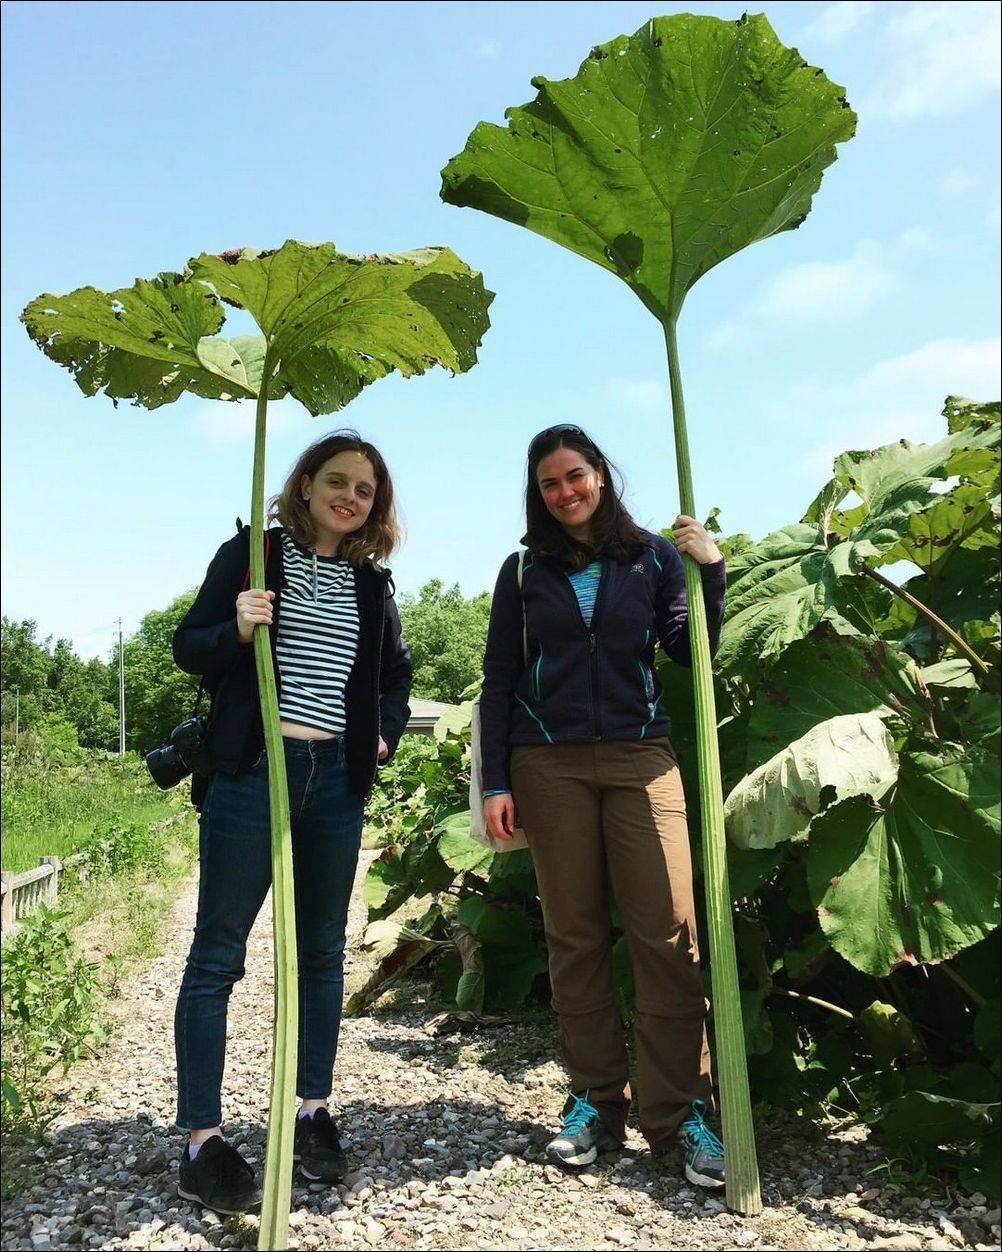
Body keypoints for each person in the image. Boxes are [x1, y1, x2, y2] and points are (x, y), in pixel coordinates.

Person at [170, 430, 412, 1214]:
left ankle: (311, 1112)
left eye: (365, 490)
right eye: (335, 480)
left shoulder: (372, 586)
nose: (350, 496)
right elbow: (189, 648)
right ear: (304, 485)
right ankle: (202, 1142)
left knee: (319, 953)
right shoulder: (252, 556)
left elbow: (394, 678)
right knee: (218, 956)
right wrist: (237, 626)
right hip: (253, 774)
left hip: (333, 782)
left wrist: (383, 726)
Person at [479, 424, 727, 1188]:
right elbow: (498, 677)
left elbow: (693, 652)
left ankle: (679, 1110)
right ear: (539, 493)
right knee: (574, 936)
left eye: (576, 475)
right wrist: (495, 782)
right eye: (550, 483)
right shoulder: (522, 570)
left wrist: (710, 572)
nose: (566, 492)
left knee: (669, 930)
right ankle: (594, 1100)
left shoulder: (652, 555)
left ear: (601, 475)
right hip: (546, 762)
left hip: (639, 755)